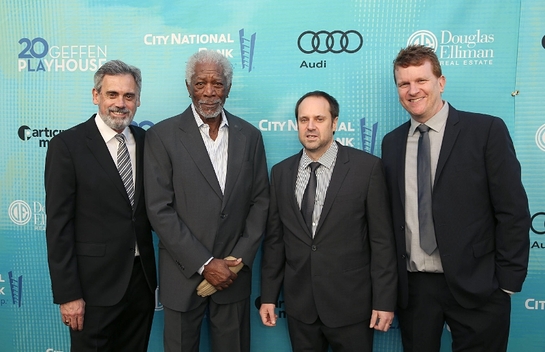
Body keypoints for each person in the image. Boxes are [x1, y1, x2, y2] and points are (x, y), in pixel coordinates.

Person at [381, 44, 531, 352]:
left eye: (421, 80)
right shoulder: (392, 143)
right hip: (416, 290)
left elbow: (512, 211)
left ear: (441, 81)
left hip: (479, 285)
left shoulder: (485, 130)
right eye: (404, 83)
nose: (413, 90)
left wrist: (507, 283)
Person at [144, 50, 269, 352]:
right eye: (201, 84)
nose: (209, 92)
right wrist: (205, 263)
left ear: (229, 86)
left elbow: (260, 201)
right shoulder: (162, 136)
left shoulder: (250, 136)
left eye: (217, 83)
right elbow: (159, 210)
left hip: (232, 278)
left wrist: (235, 263)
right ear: (188, 86)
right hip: (183, 276)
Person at [259, 91, 398, 352]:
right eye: (303, 119)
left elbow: (382, 242)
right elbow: (275, 242)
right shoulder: (280, 173)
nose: (310, 126)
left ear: (334, 123)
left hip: (352, 307)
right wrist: (268, 296)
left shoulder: (366, 169)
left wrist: (384, 301)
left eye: (319, 119)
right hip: (300, 309)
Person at [45, 60, 157, 351]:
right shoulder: (67, 146)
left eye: (129, 96)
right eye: (112, 94)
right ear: (96, 96)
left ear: (138, 100)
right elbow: (58, 226)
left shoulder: (148, 142)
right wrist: (68, 295)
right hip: (91, 289)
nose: (121, 103)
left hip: (140, 283)